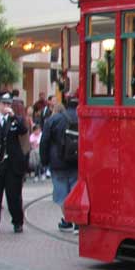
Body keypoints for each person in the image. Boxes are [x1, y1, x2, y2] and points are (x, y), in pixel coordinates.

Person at [0, 93, 28, 234]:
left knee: (14, 196)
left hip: (13, 164)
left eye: (9, 104)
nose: (7, 107)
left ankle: (17, 222)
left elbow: (23, 130)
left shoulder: (15, 120)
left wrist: (14, 116)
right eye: (4, 104)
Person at [40, 94, 79, 233]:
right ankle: (77, 222)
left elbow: (44, 141)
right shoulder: (82, 117)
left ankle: (68, 219)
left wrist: (44, 161)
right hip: (77, 161)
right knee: (76, 191)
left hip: (58, 162)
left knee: (62, 194)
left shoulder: (53, 120)